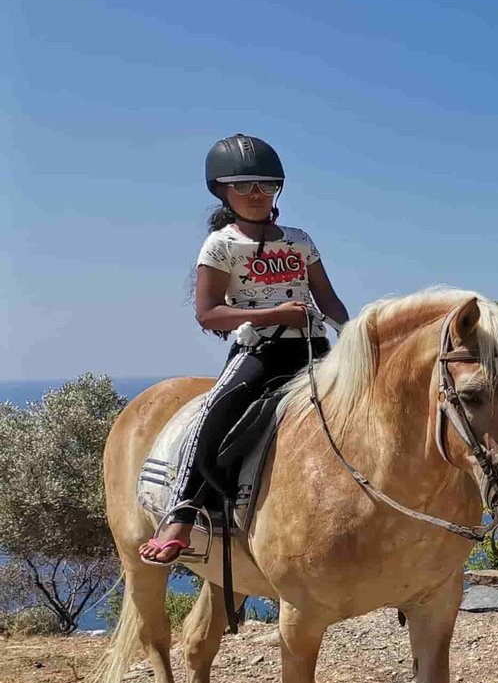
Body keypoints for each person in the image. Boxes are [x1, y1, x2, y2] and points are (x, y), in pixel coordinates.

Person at [138, 134, 351, 563]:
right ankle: (183, 509)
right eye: (244, 186)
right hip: (260, 354)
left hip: (314, 347)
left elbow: (326, 298)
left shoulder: (300, 240)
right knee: (216, 412)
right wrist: (275, 315)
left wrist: (357, 335)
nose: (256, 194)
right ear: (222, 191)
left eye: (266, 186)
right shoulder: (220, 245)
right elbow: (209, 314)